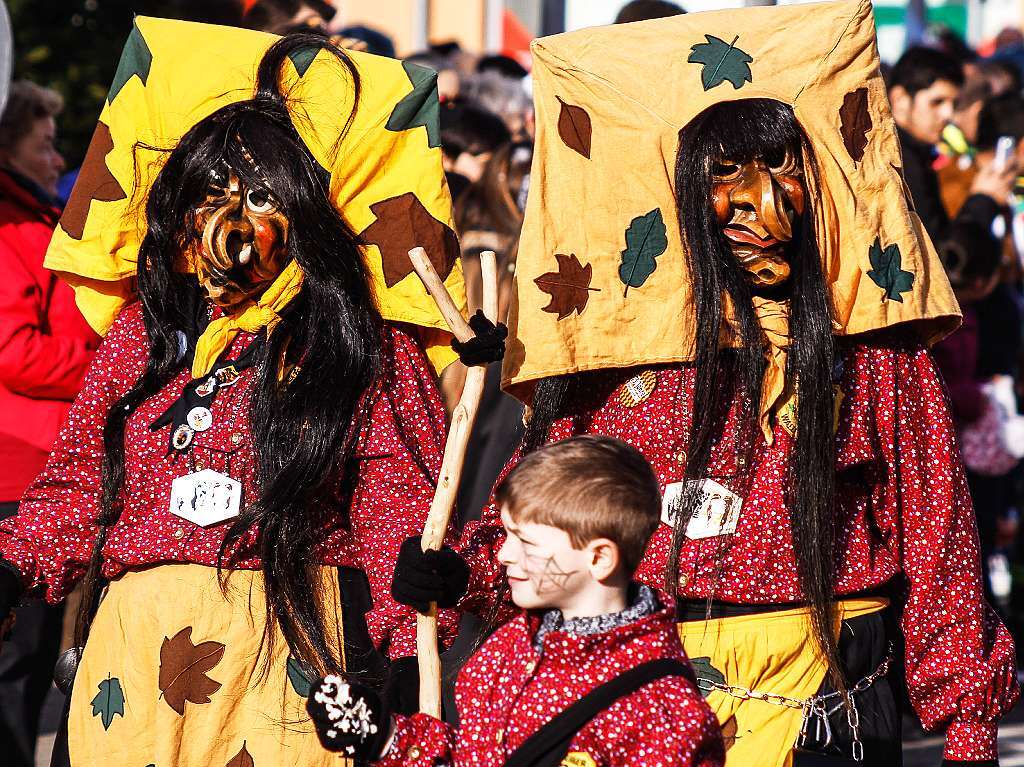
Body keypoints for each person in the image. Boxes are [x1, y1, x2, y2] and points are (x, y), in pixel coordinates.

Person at [393, 1, 1019, 763]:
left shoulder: (871, 350)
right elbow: (546, 506)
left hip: (831, 700)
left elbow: (936, 529)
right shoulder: (617, 347)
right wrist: (462, 573)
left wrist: (969, 725)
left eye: (781, 167)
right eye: (726, 174)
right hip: (644, 701)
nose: (763, 204)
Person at [0, 20, 469, 767]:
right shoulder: (143, 334)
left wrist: (417, 602)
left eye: (257, 196)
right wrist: (11, 567)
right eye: (208, 193)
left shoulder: (363, 346)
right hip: (128, 671)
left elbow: (395, 509)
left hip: (285, 669)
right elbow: (76, 484)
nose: (228, 224)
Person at [310, 436, 725, 767]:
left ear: (599, 558)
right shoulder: (505, 651)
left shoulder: (663, 715)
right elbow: (473, 758)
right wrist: (386, 739)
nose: (504, 554)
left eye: (524, 541)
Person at [0, 80, 98, 767]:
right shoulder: (9, 228)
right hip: (19, 466)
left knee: (30, 659)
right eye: (46, 142)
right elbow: (13, 349)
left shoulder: (34, 218)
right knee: (17, 659)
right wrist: (105, 365)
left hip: (39, 465)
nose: (57, 157)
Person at [888, 46, 1015, 244]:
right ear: (900, 100)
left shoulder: (915, 155)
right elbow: (940, 256)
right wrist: (983, 199)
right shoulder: (897, 161)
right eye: (936, 102)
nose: (948, 115)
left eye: (953, 104)